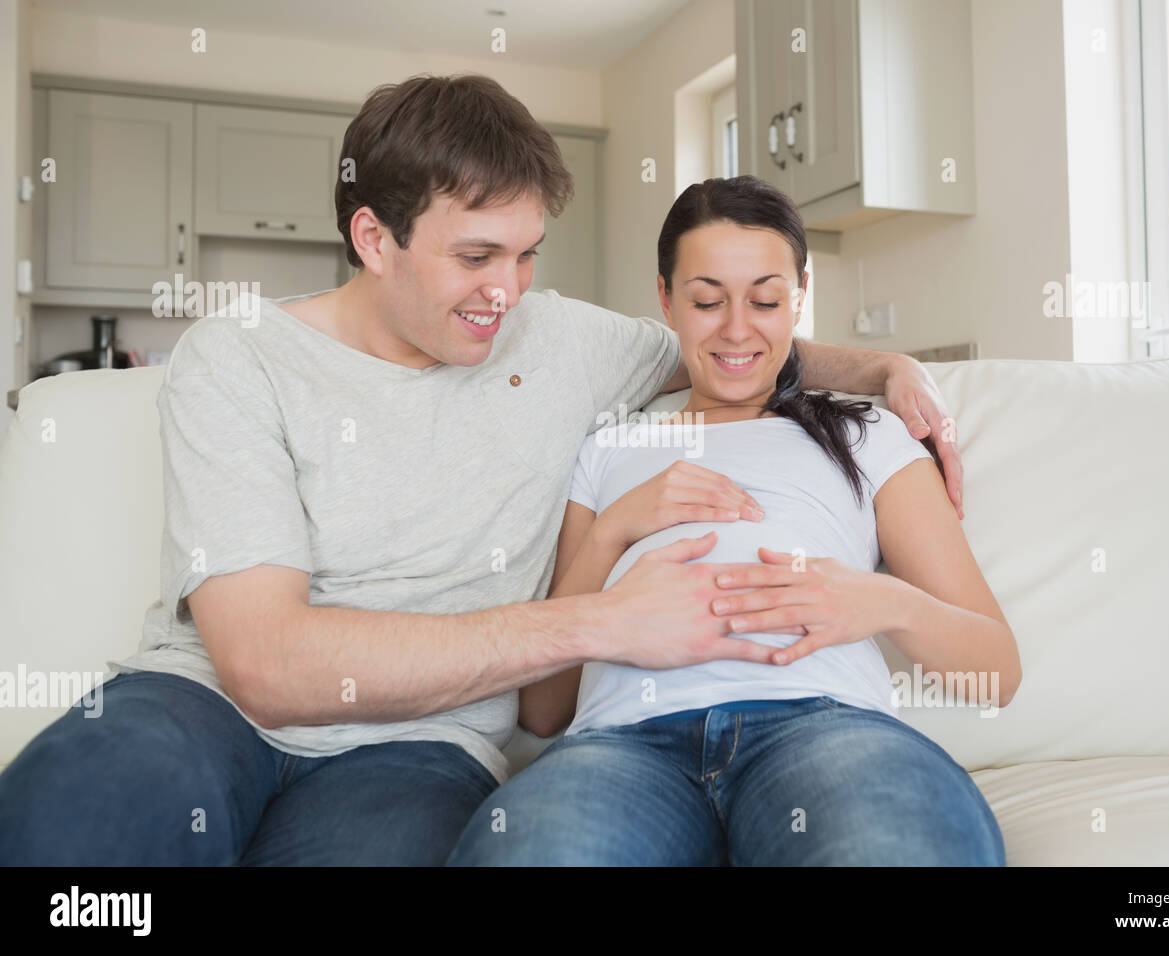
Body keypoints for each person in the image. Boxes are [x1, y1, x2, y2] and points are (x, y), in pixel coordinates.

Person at [0, 74, 965, 866]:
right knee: (65, 839)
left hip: (422, 747)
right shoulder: (238, 356)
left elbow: (733, 344)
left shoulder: (560, 340)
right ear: (374, 238)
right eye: (474, 256)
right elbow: (265, 664)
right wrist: (596, 621)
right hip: (199, 704)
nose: (505, 292)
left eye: (526, 255)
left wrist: (884, 367)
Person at [446, 175, 1018, 866]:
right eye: (707, 301)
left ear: (799, 295)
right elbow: (543, 711)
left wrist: (884, 601)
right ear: (666, 300)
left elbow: (998, 669)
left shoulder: (868, 434)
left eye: (767, 300)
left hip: (821, 730)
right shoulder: (608, 448)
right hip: (626, 745)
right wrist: (612, 531)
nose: (738, 329)